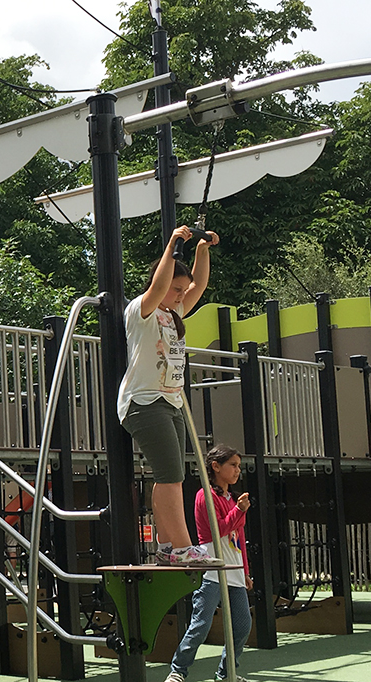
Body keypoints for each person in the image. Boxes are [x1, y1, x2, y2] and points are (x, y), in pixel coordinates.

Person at [118, 224, 225, 567]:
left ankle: (166, 546)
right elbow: (161, 284)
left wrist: (202, 250)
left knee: (170, 474)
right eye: (176, 289)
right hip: (145, 401)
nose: (181, 294)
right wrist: (174, 242)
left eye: (182, 290)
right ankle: (181, 547)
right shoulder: (142, 310)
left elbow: (199, 285)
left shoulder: (174, 311)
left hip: (171, 402)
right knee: (172, 476)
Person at [166, 445, 254, 682]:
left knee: (243, 625)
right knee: (201, 624)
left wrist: (245, 571)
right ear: (216, 467)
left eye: (238, 466)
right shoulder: (205, 495)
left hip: (233, 569)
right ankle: (178, 670)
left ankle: (227, 673)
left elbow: (239, 539)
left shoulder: (231, 498)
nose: (238, 471)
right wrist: (239, 510)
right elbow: (219, 529)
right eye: (233, 465)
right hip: (212, 569)